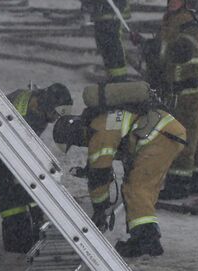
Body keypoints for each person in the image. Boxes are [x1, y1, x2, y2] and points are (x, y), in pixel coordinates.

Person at [53, 88, 186, 257]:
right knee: (140, 188)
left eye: (76, 143)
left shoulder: (99, 132)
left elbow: (99, 175)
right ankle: (142, 237)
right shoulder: (99, 121)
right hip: (165, 132)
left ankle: (147, 240)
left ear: (75, 133)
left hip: (160, 136)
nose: (80, 145)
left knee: (136, 188)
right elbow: (101, 165)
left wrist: (100, 208)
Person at [0, 83, 72, 253]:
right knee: (8, 192)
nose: (56, 117)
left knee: (16, 190)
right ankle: (16, 243)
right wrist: (36, 209)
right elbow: (21, 163)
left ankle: (20, 233)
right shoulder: (31, 119)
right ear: (48, 105)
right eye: (55, 112)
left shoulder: (28, 95)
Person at [138, 0, 198, 199]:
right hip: (176, 93)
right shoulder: (169, 25)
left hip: (190, 93)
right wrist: (146, 46)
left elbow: (182, 51)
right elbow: (161, 57)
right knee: (194, 138)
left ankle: (178, 185)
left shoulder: (192, 27)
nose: (173, 2)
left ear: (187, 3)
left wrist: (156, 49)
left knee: (181, 140)